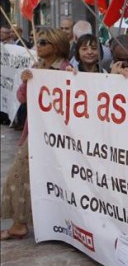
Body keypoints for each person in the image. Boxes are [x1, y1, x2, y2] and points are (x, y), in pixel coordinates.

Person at [1, 28, 72, 241]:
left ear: (56, 46)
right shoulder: (36, 67)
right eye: (38, 42)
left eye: (43, 42)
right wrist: (25, 81)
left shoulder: (66, 69)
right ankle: (19, 223)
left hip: (58, 136)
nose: (38, 46)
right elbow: (22, 99)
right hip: (35, 133)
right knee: (19, 174)